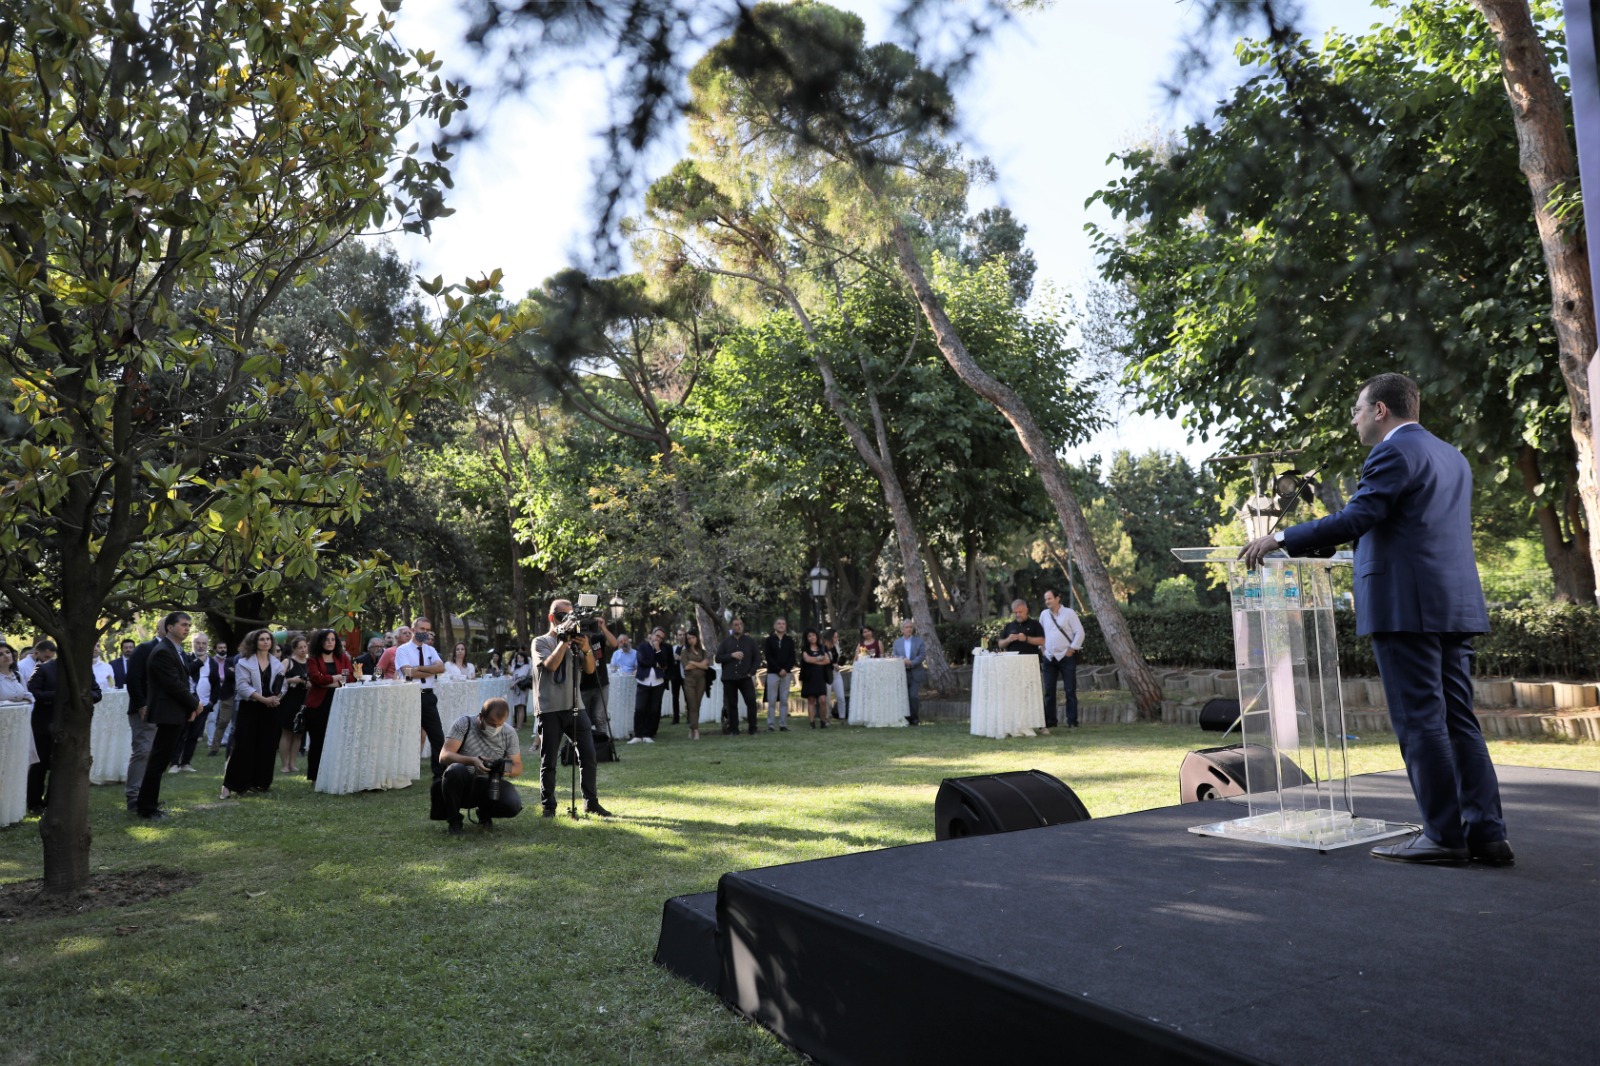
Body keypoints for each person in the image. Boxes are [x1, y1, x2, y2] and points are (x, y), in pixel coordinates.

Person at [1242, 372, 1511, 867]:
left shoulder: (1392, 452)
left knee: (1421, 721)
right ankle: (1487, 836)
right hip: (1454, 605)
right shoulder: (1452, 456)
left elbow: (1357, 517)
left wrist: (1279, 538)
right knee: (1459, 721)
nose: (1355, 420)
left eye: (1358, 410)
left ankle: (1443, 838)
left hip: (1405, 607)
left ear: (1381, 410)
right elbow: (1402, 525)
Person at [532, 599, 613, 817]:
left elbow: (590, 670)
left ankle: (591, 802)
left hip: (576, 706)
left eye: (570, 617)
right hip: (549, 708)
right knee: (549, 760)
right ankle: (549, 806)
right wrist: (563, 641)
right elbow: (551, 665)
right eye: (562, 617)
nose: (566, 621)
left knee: (588, 756)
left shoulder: (576, 641)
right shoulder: (540, 641)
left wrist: (586, 649)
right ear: (552, 618)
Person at [135, 611, 201, 819]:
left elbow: (183, 681)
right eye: (183, 624)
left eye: (189, 625)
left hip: (175, 711)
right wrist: (195, 704)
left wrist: (190, 707)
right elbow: (173, 685)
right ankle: (147, 808)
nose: (187, 628)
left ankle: (149, 803)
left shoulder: (175, 650)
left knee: (160, 761)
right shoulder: (163, 651)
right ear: (170, 627)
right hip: (168, 712)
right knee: (158, 761)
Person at [437, 697, 524, 835]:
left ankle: (485, 813)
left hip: (490, 782)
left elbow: (518, 766)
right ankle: (454, 821)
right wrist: (472, 761)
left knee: (513, 804)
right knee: (454, 770)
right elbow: (444, 756)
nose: (495, 728)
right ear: (481, 716)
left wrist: (503, 769)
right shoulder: (464, 723)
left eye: (499, 725)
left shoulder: (509, 732)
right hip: (463, 781)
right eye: (491, 724)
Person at [224, 629, 282, 799]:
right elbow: (242, 687)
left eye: (268, 639)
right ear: (254, 642)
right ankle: (235, 784)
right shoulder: (243, 663)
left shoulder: (277, 663)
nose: (265, 642)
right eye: (261, 639)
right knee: (244, 745)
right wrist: (263, 699)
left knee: (267, 746)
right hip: (250, 707)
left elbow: (282, 685)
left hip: (270, 709)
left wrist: (276, 698)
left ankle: (261, 783)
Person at [393, 617, 448, 780]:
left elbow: (441, 668)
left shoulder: (430, 650)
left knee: (437, 736)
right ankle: (403, 771)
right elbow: (408, 672)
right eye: (422, 629)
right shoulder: (403, 650)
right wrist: (431, 669)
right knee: (408, 735)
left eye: (427, 630)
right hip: (410, 696)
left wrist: (419, 668)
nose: (425, 632)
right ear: (413, 630)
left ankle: (440, 773)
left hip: (428, 696)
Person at [304, 629, 351, 784]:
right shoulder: (313, 660)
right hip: (318, 705)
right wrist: (337, 678)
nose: (330, 642)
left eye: (333, 639)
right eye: (326, 639)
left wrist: (328, 681)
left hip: (339, 702)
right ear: (320, 642)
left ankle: (334, 774)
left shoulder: (342, 658)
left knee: (337, 739)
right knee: (318, 740)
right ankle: (315, 777)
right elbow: (316, 679)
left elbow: (350, 677)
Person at [123, 628, 160, 812]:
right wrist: (141, 704)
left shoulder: (175, 650)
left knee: (153, 754)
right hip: (144, 710)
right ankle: (133, 796)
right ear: (167, 627)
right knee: (142, 751)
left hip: (163, 711)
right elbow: (133, 678)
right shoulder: (145, 648)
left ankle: (147, 796)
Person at [1040, 588, 1085, 732]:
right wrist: (1042, 649)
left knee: (1070, 690)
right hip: (1049, 657)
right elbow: (1040, 634)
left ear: (1057, 598)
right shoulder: (1044, 614)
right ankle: (1050, 721)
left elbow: (1080, 632)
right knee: (1049, 691)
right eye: (1046, 599)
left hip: (1066, 657)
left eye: (1049, 598)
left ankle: (1072, 722)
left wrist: (1071, 649)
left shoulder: (1069, 613)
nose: (1047, 601)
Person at [169, 631, 210, 772]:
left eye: (204, 643)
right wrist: (199, 662)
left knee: (194, 735)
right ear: (192, 644)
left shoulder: (212, 662)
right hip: (186, 702)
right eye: (197, 643)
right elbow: (186, 672)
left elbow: (216, 683)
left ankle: (186, 763)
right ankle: (174, 763)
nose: (201, 646)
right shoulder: (184, 658)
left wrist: (212, 702)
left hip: (204, 704)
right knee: (181, 734)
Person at [715, 617, 761, 736]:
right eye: (736, 624)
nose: (739, 626)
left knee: (751, 702)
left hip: (745, 677)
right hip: (729, 678)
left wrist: (751, 672)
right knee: (732, 705)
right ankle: (734, 729)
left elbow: (757, 659)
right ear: (732, 627)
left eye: (740, 624)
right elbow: (718, 658)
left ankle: (753, 728)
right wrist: (731, 655)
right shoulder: (725, 642)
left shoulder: (750, 642)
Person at [275, 634, 310, 775]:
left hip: (304, 700)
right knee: (287, 733)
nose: (303, 650)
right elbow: (277, 680)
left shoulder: (310, 662)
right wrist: (291, 680)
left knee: (298, 734)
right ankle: (284, 764)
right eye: (300, 647)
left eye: (305, 647)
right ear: (294, 649)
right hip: (289, 700)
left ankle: (293, 763)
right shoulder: (287, 662)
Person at [632, 627, 670, 743]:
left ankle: (647, 734)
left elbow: (664, 664)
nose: (658, 639)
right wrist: (656, 664)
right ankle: (638, 735)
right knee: (640, 708)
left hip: (658, 683)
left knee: (653, 710)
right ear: (652, 635)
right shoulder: (642, 646)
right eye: (657, 636)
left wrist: (657, 650)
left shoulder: (663, 649)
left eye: (661, 638)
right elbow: (642, 661)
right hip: (643, 681)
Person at [205, 640, 239, 757]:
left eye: (224, 647)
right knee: (222, 721)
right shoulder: (229, 661)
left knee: (238, 723)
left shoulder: (246, 660)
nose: (223, 650)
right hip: (227, 695)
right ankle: (214, 747)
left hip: (243, 696)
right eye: (220, 647)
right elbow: (229, 674)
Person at [762, 617, 796, 732]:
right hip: (773, 673)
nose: (781, 625)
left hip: (786, 674)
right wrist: (778, 670)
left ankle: (783, 725)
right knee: (771, 700)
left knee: (784, 700)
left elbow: (792, 657)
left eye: (783, 624)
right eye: (779, 623)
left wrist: (786, 669)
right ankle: (771, 725)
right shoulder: (769, 640)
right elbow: (768, 657)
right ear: (775, 626)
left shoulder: (789, 640)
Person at [892, 620, 927, 727]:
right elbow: (894, 655)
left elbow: (922, 655)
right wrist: (902, 659)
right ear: (902, 630)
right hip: (902, 673)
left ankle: (915, 719)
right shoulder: (897, 642)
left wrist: (911, 663)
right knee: (904, 697)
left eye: (911, 627)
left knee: (913, 696)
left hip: (915, 672)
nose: (909, 629)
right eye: (906, 627)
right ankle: (905, 719)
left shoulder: (919, 641)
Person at [679, 631, 711, 740]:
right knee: (692, 705)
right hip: (689, 681)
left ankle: (692, 728)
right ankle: (695, 729)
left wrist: (693, 663)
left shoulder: (703, 652)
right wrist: (700, 664)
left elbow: (706, 667)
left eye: (693, 637)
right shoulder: (684, 652)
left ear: (697, 638)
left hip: (701, 680)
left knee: (697, 704)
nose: (691, 640)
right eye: (689, 638)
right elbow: (686, 667)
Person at [799, 628, 831, 729]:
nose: (812, 637)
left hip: (821, 677)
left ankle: (823, 721)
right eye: (809, 636)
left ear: (816, 636)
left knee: (823, 700)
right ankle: (812, 722)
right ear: (807, 638)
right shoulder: (805, 649)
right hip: (809, 678)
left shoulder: (823, 648)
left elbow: (827, 660)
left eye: (813, 635)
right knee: (811, 700)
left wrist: (815, 661)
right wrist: (819, 658)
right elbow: (807, 659)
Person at [822, 629, 846, 719]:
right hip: (827, 674)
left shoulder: (837, 645)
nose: (837, 638)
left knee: (841, 697)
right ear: (830, 637)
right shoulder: (823, 647)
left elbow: (837, 658)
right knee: (827, 698)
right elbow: (823, 660)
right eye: (835, 637)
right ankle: (826, 716)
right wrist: (833, 664)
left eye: (837, 637)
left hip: (836, 674)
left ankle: (842, 717)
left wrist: (840, 662)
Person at [508, 650, 532, 730]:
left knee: (521, 707)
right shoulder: (517, 666)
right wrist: (513, 663)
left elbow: (522, 677)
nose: (519, 659)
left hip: (522, 688)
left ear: (524, 658)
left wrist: (514, 683)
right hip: (516, 689)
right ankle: (517, 724)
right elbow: (512, 672)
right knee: (518, 707)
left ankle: (519, 726)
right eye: (518, 658)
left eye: (521, 657)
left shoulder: (526, 666)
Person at [668, 627, 687, 724]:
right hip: (675, 676)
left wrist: (680, 658)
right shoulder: (673, 648)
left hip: (684, 675)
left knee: (687, 696)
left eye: (683, 635)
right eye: (680, 635)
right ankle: (676, 718)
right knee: (675, 697)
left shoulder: (687, 648)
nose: (682, 637)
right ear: (676, 636)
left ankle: (689, 717)